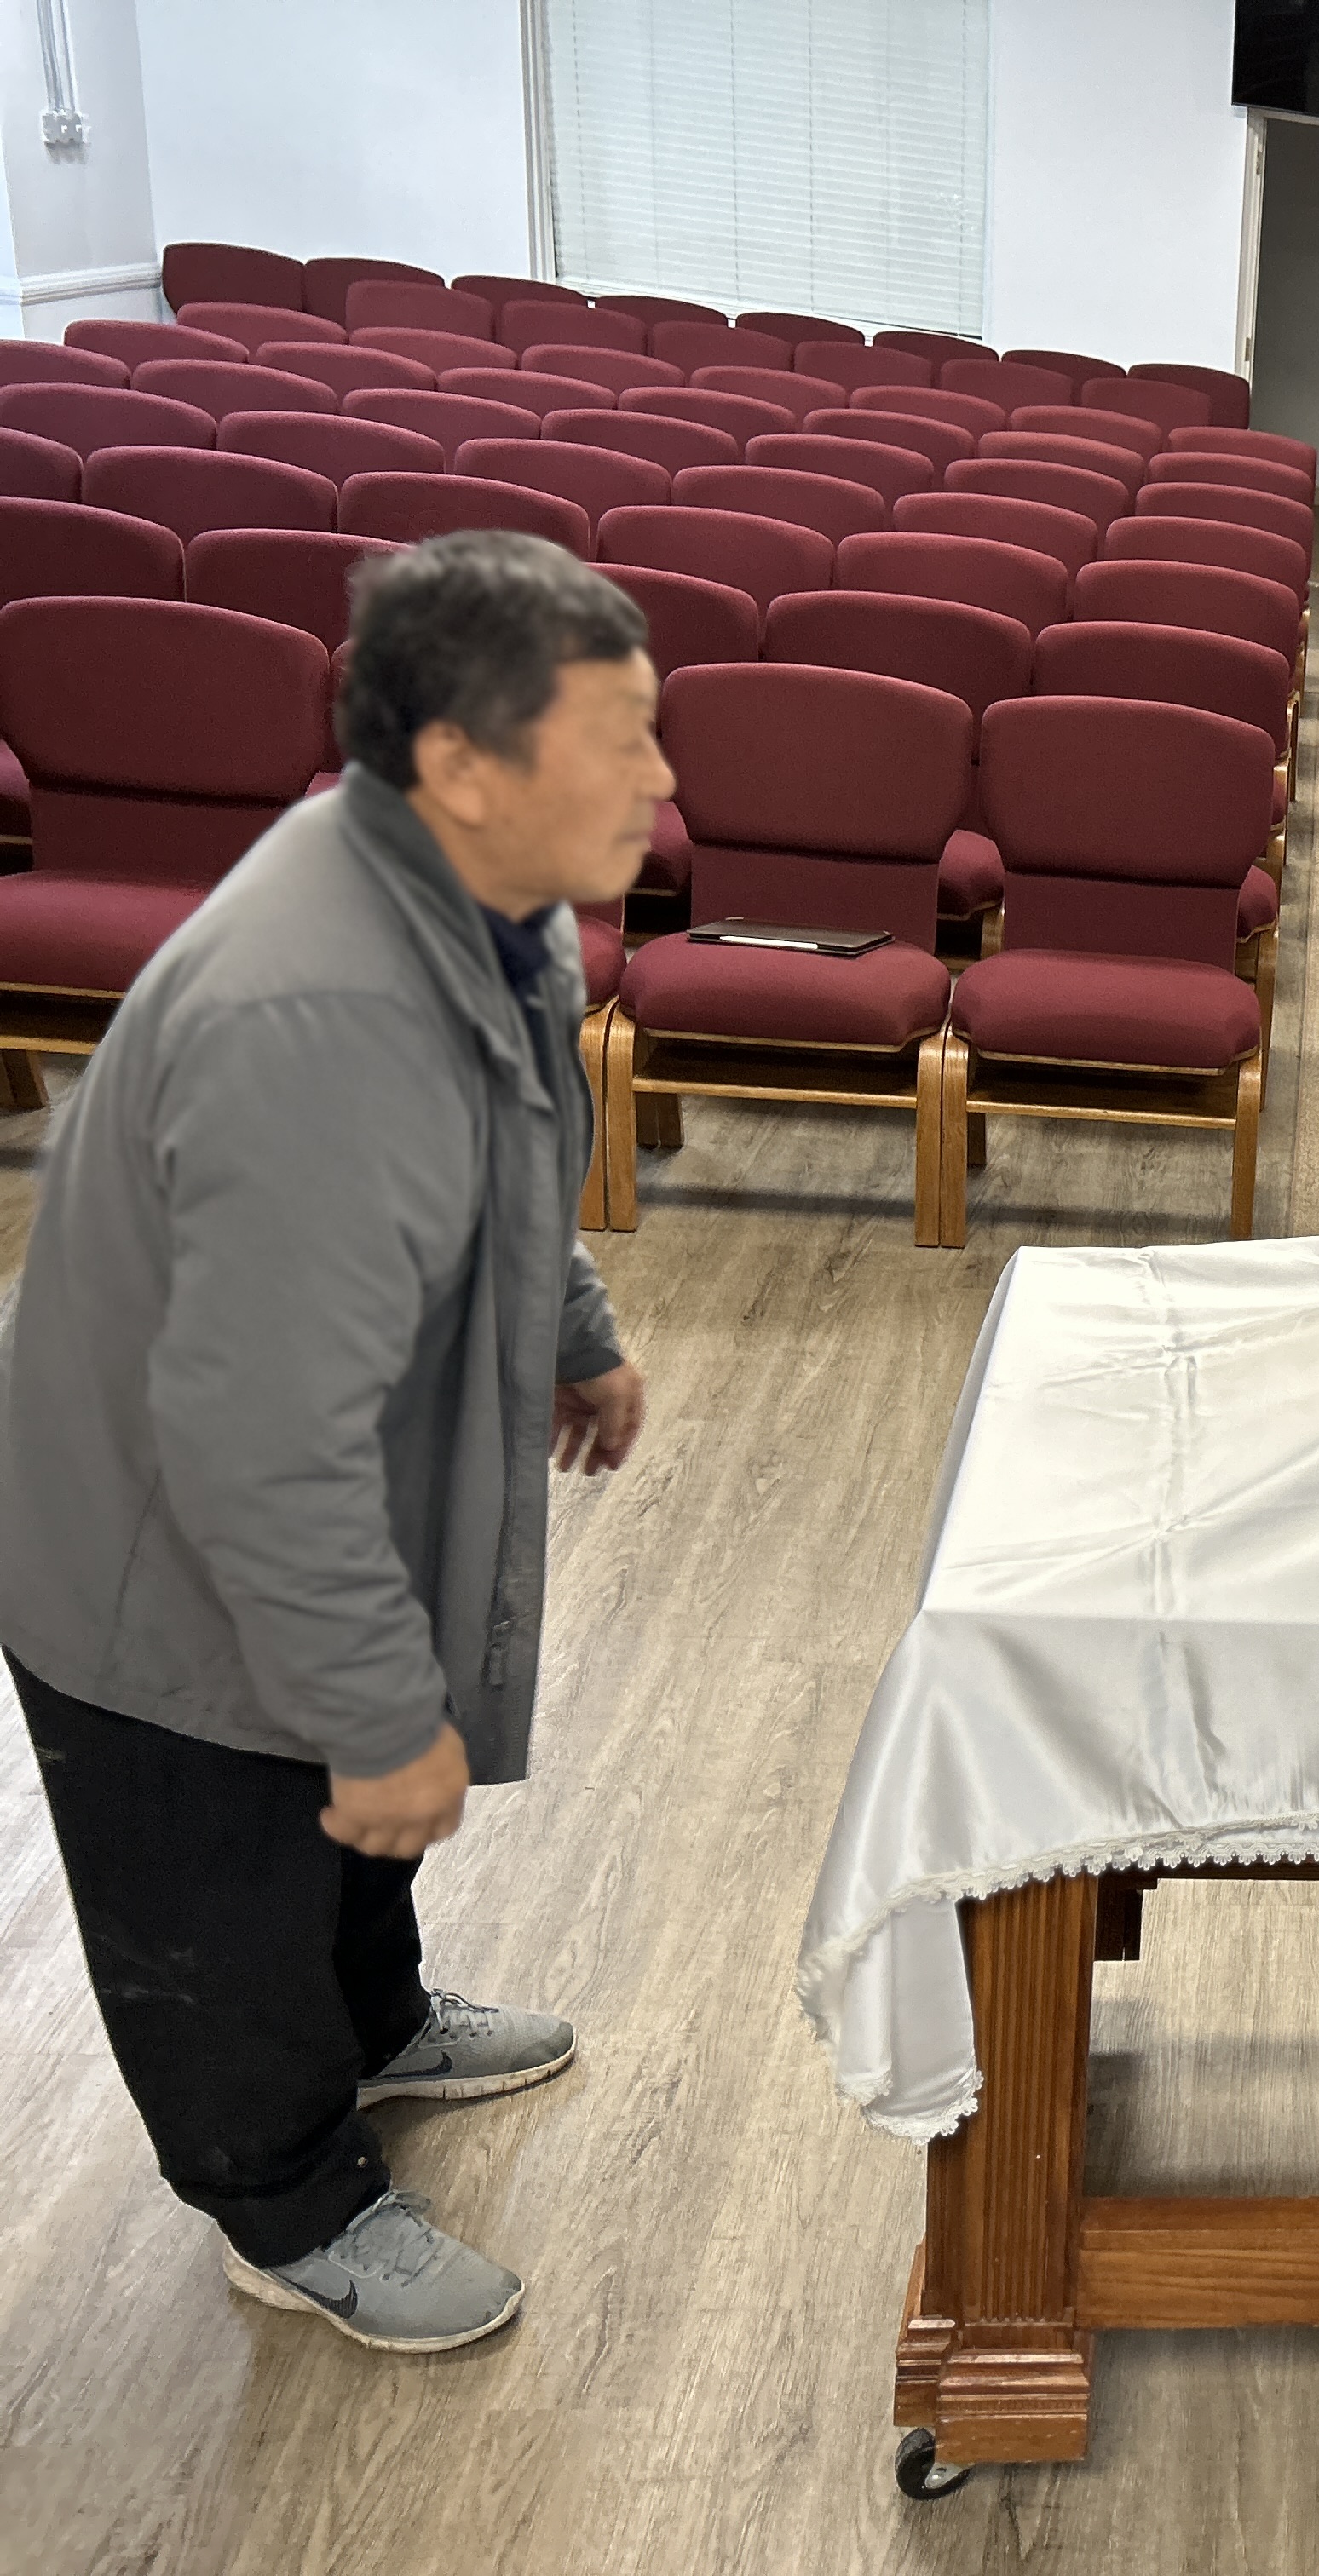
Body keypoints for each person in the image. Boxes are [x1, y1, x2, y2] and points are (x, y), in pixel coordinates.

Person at [0, 531, 666, 2353]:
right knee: (227, 1871)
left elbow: (517, 1148)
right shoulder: (318, 1011)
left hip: (314, 1473)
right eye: (614, 737)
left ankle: (377, 2025)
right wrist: (376, 1717)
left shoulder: (494, 904)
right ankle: (285, 2201)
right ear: (459, 761)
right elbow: (256, 1450)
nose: (657, 777)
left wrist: (575, 1335)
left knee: (343, 1841)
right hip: (151, 1549)